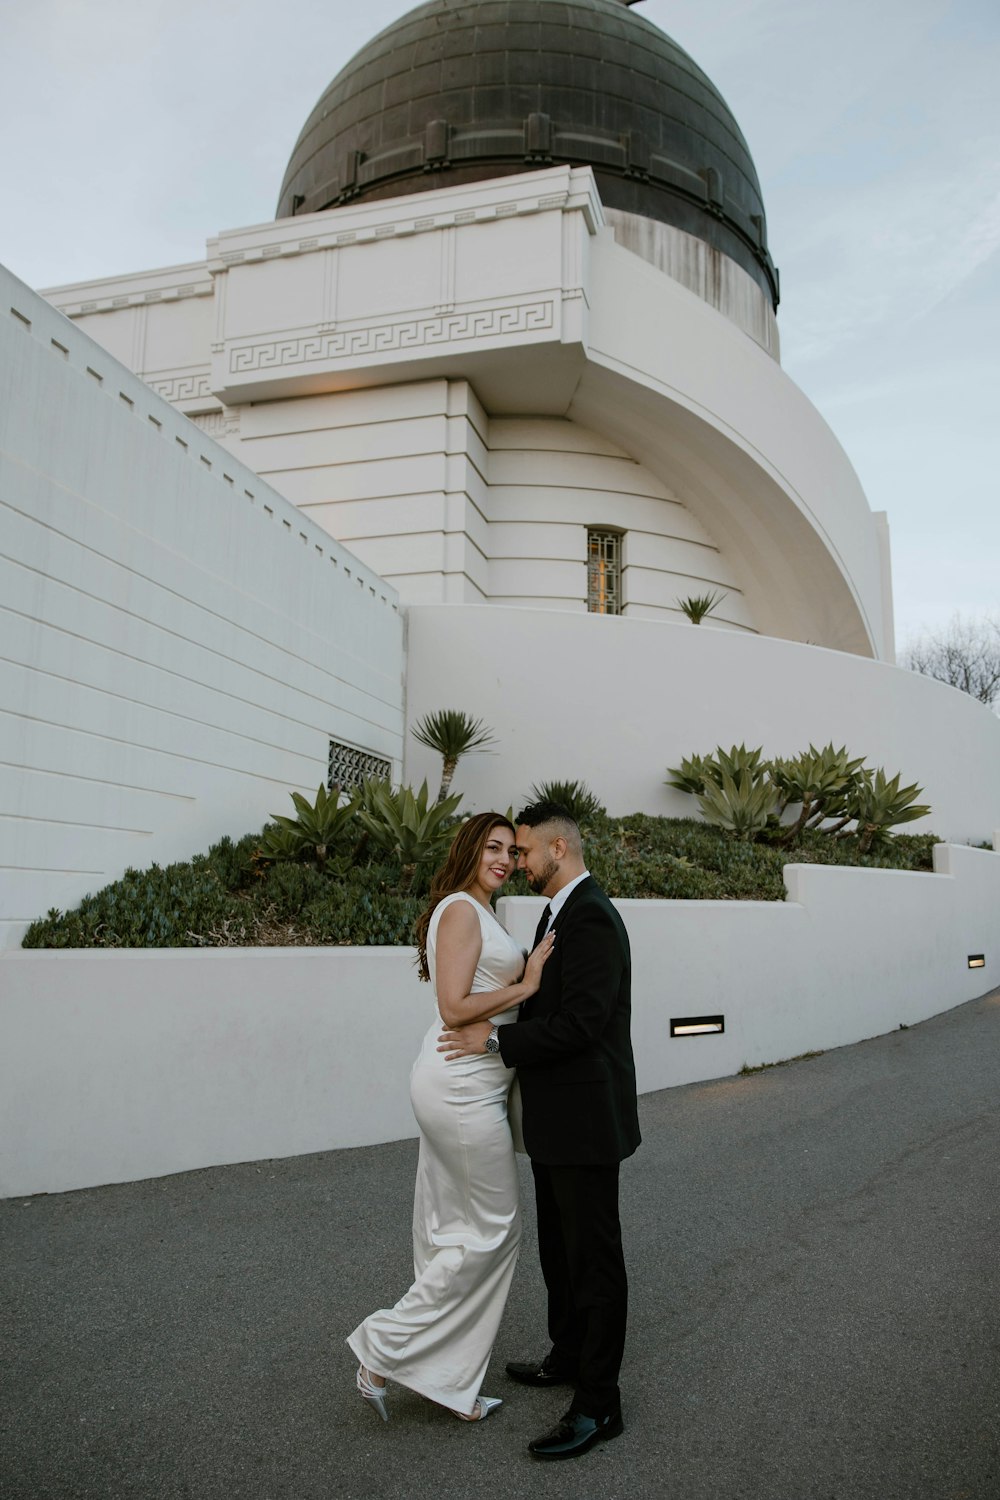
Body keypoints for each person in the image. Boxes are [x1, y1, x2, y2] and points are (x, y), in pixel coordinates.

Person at [439, 801, 640, 1461]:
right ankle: (568, 1355)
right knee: (560, 1247)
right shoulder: (559, 914)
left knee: (593, 1259)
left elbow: (583, 1023)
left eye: (523, 852)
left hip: (586, 1120)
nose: (516, 862)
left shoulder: (594, 919)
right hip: (555, 1120)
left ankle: (598, 1404)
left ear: (558, 850)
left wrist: (495, 1042)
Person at [347, 812, 555, 1423]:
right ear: (468, 847)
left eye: (512, 851)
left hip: (468, 1085)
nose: (505, 859)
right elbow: (454, 1006)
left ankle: (446, 1379)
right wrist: (528, 984)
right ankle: (382, 1350)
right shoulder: (462, 909)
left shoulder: (477, 909)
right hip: (461, 1089)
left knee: (452, 1229)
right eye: (493, 847)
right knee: (493, 1232)